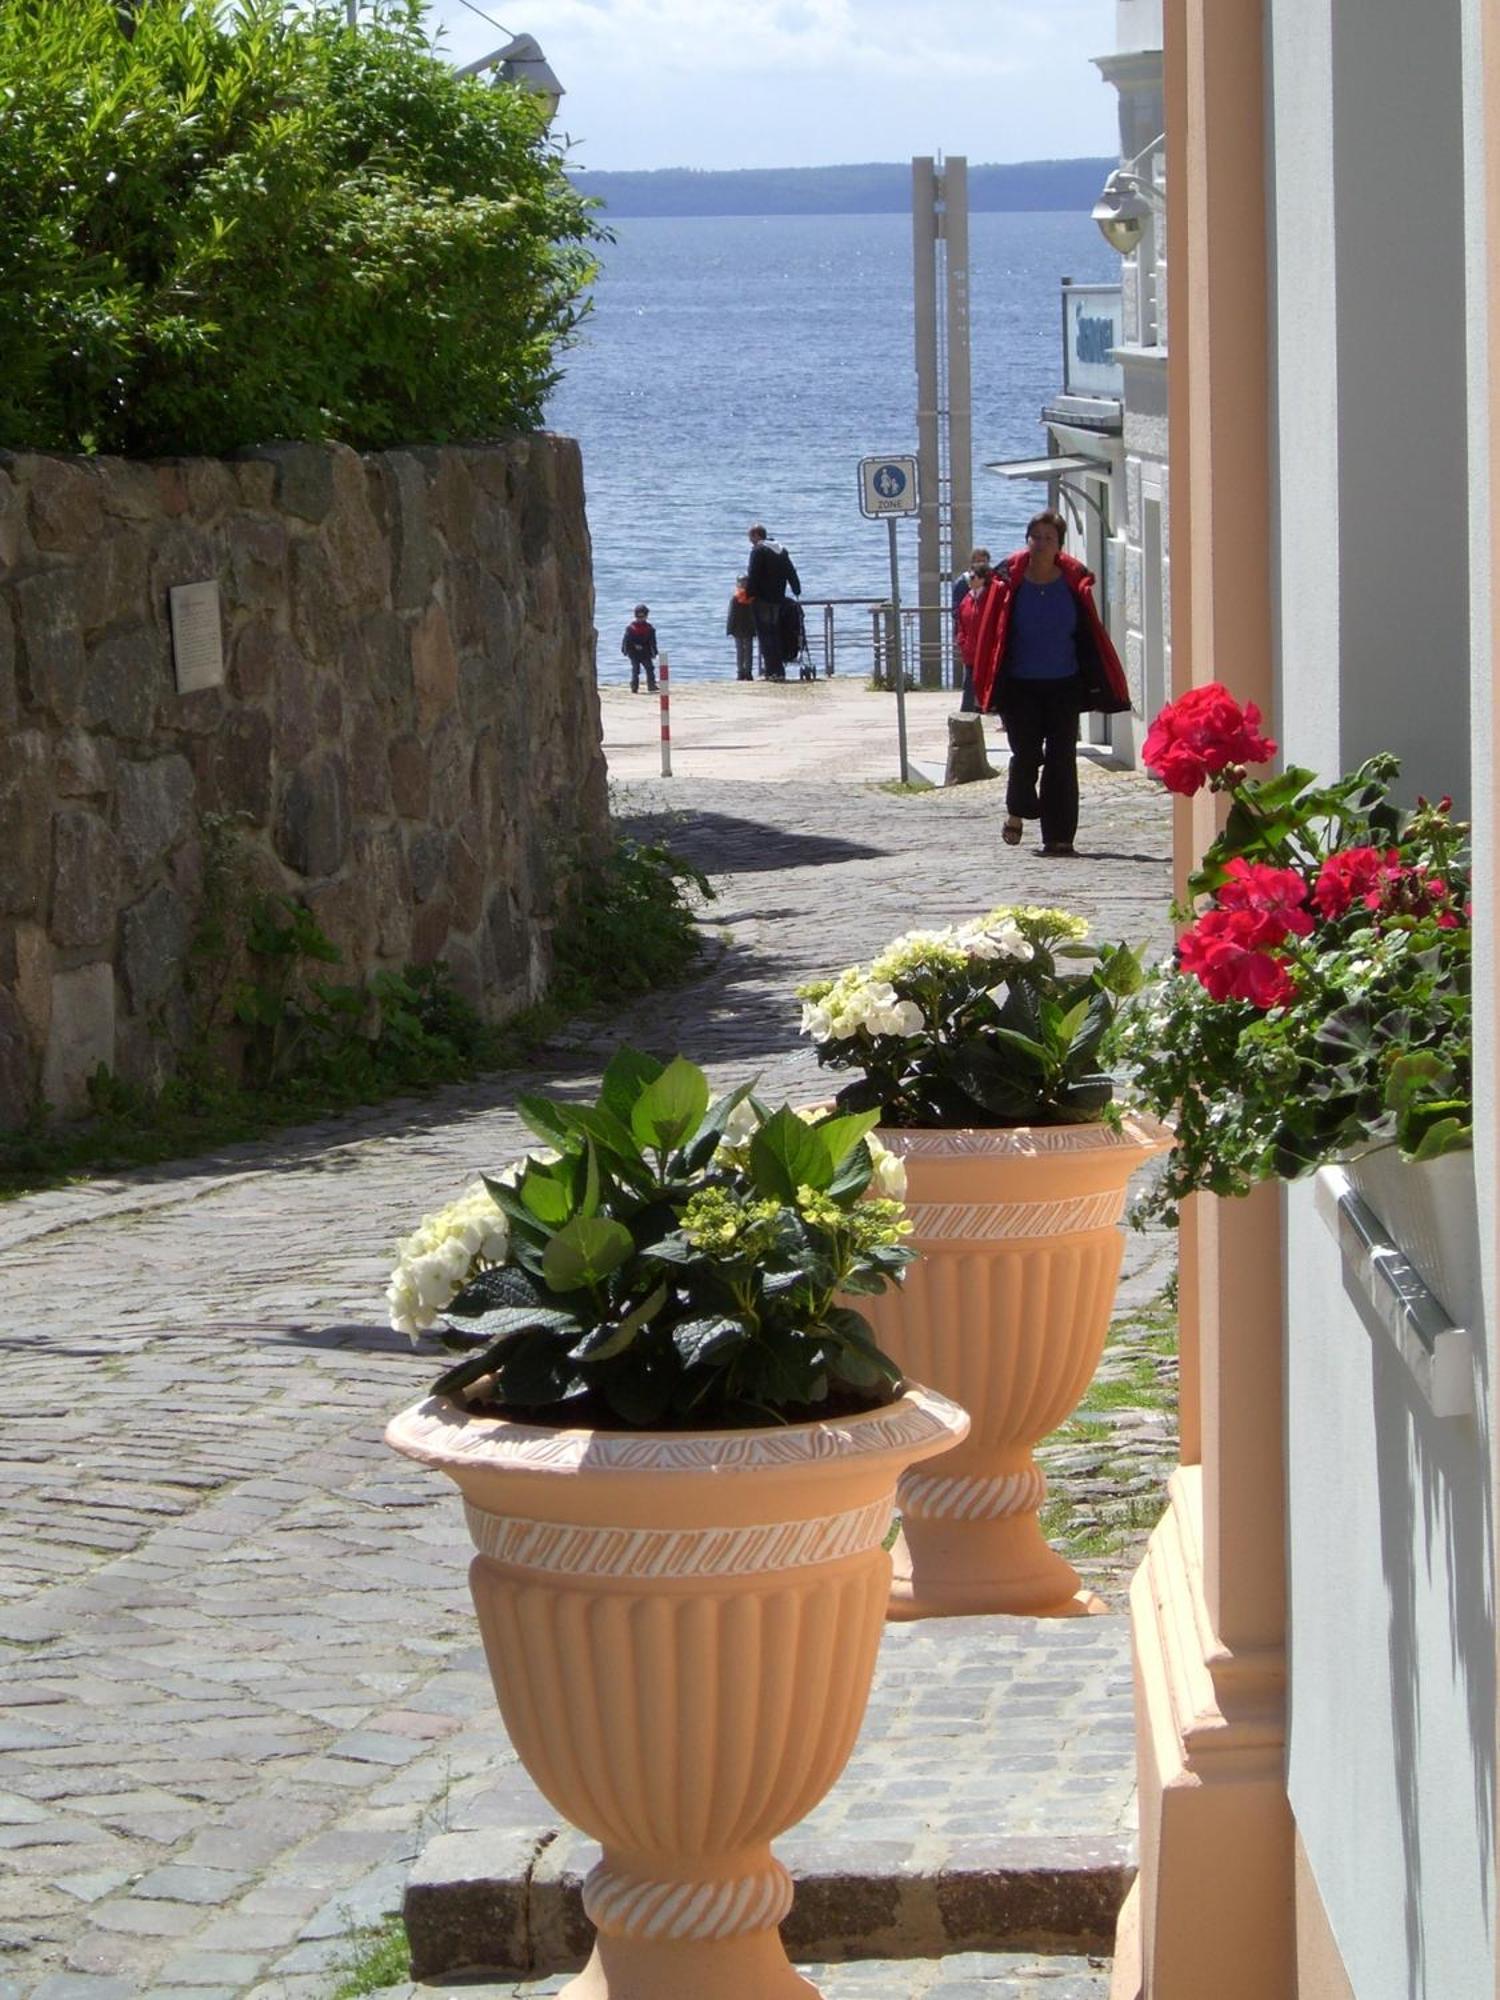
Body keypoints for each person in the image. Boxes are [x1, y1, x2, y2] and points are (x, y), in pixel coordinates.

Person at [971, 510, 1131, 857]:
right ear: (1027, 540)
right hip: (1020, 686)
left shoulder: (1073, 583)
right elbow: (990, 634)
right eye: (1036, 537)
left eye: (1049, 538)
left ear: (1059, 544)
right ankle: (1018, 809)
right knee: (1026, 755)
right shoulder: (1008, 584)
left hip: (1064, 683)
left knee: (1062, 759)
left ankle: (1060, 837)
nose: (1042, 544)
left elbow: (1088, 633)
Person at [746, 524, 801, 681]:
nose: (750, 541)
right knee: (775, 633)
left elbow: (754, 574)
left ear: (757, 535)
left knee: (764, 635)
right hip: (778, 598)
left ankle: (771, 670)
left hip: (762, 599)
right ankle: (779, 670)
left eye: (750, 537)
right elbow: (791, 571)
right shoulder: (781, 550)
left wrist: (749, 594)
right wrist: (796, 589)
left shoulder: (758, 551)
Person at [953, 547, 994, 712]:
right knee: (969, 681)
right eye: (977, 560)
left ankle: (991, 709)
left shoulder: (994, 585)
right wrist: (962, 641)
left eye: (983, 560)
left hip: (987, 645)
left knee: (991, 679)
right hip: (970, 647)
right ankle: (967, 712)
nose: (980, 563)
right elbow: (959, 615)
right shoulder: (964, 588)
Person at [620, 604, 658, 692]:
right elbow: (626, 640)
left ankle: (651, 685)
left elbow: (653, 642)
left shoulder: (650, 628)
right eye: (638, 616)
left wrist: (654, 652)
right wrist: (625, 650)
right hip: (634, 653)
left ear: (646, 616)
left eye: (643, 616)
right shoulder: (631, 628)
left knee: (650, 668)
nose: (640, 619)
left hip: (646, 653)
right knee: (635, 669)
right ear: (635, 616)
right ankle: (634, 687)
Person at [726, 575, 756, 681]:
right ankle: (748, 672)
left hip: (738, 628)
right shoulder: (752, 598)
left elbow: (731, 615)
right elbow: (755, 615)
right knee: (748, 650)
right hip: (748, 628)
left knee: (740, 651)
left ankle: (741, 672)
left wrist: (729, 629)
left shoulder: (735, 598)